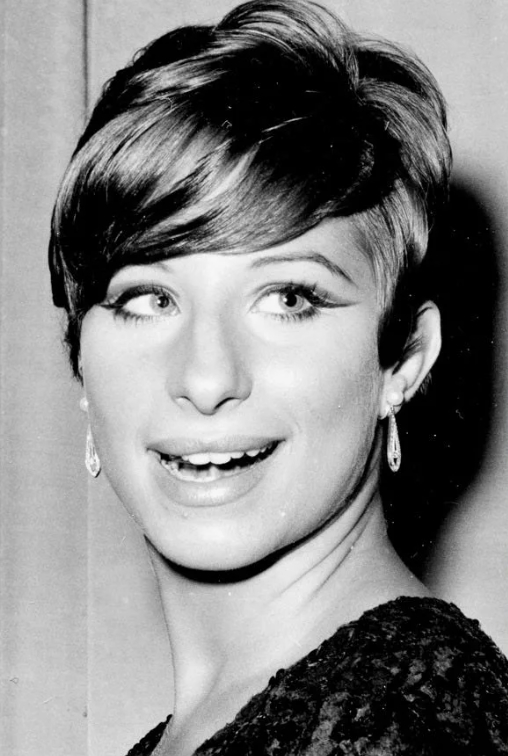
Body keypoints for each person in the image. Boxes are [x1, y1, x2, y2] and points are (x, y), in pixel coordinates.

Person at [48, 1, 508, 753]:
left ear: (403, 360)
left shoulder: (404, 729)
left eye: (288, 298)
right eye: (149, 298)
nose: (206, 379)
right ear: (81, 363)